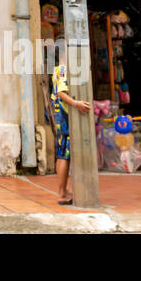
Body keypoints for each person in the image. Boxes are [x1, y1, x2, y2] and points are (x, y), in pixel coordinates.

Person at [50, 62, 91, 205]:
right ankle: (61, 193)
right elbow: (61, 93)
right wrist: (76, 103)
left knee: (62, 155)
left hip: (61, 117)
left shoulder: (57, 69)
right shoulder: (63, 69)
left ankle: (63, 190)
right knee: (63, 156)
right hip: (65, 118)